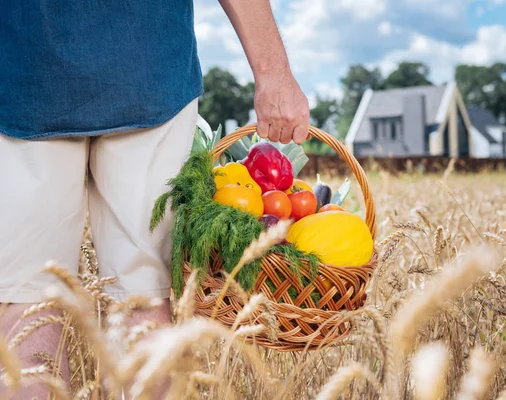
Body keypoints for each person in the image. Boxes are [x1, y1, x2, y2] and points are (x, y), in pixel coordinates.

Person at [0, 0, 310, 398]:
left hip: (27, 67)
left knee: (29, 307)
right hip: (146, 65)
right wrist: (274, 73)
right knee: (140, 302)